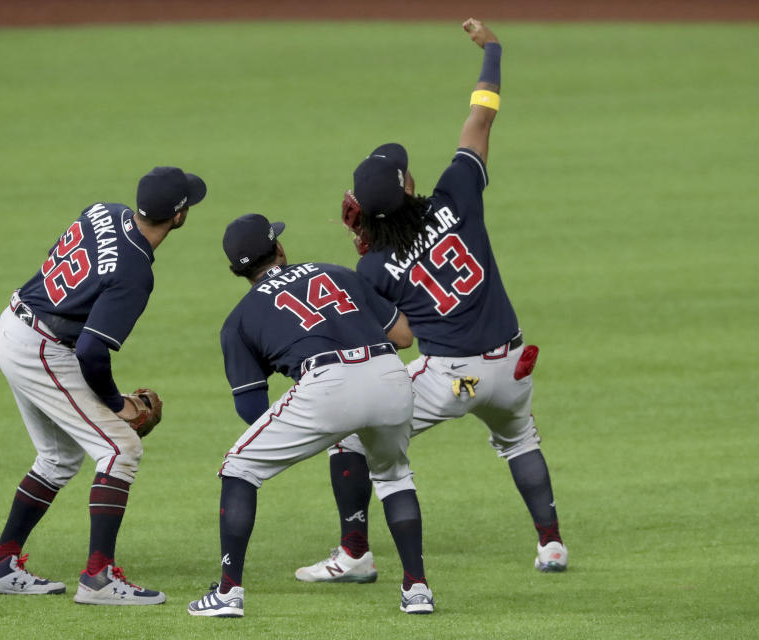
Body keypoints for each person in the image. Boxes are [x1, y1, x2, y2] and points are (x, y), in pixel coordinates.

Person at [295, 18, 568, 584]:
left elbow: (399, 339)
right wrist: (492, 49)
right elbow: (481, 115)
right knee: (519, 438)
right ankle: (551, 544)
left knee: (349, 435)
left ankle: (353, 555)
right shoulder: (458, 191)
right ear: (410, 185)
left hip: (453, 381)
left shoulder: (372, 266)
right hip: (513, 367)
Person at [0, 166, 207, 605]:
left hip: (15, 321)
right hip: (40, 348)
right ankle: (99, 578)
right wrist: (115, 404)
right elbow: (92, 353)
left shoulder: (104, 211)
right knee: (121, 448)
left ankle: (0, 565)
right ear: (178, 217)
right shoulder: (136, 273)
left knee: (59, 456)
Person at [187, 214, 433, 618]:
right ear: (280, 250)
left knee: (239, 468)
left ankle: (228, 593)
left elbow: (251, 408)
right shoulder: (335, 272)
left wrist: (305, 423)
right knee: (393, 475)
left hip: (326, 386)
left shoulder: (238, 321)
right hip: (391, 375)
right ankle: (417, 589)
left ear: (237, 271)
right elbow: (404, 337)